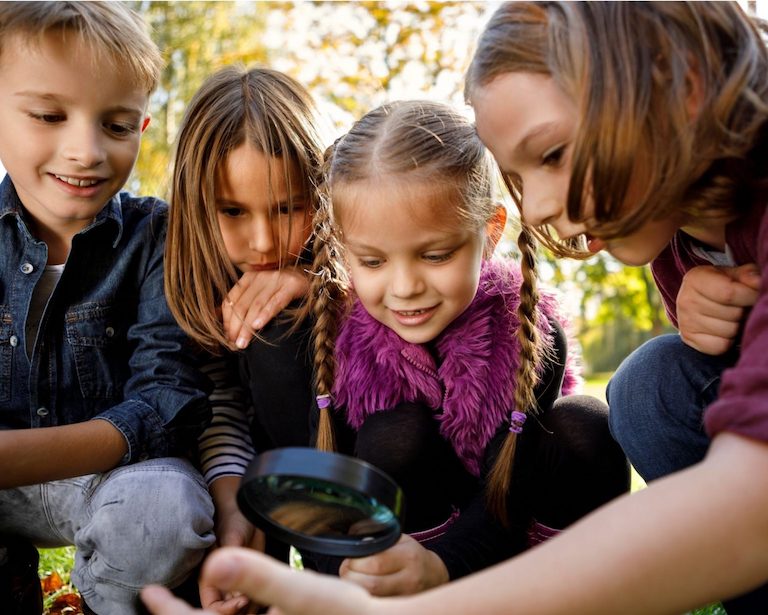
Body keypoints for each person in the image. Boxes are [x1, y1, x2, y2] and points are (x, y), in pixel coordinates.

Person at [141, 2, 768, 614]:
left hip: (483, 536)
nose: (542, 206)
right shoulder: (685, 242)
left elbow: (744, 501)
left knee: (616, 402)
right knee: (643, 385)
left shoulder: (521, 327)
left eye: (551, 154)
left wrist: (434, 586)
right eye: (524, 171)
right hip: (415, 539)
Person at [0, 2, 217, 615]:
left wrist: (13, 455)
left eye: (116, 126)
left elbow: (165, 401)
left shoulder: (158, 237)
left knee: (165, 511)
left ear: (142, 127)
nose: (86, 151)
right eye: (49, 115)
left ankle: (105, 604)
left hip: (109, 482)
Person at [163, 65, 325, 614]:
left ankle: (328, 574)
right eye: (232, 211)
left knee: (279, 334)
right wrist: (235, 508)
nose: (263, 240)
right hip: (228, 467)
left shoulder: (354, 260)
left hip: (328, 460)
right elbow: (219, 409)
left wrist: (314, 284)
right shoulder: (185, 277)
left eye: (288, 208)